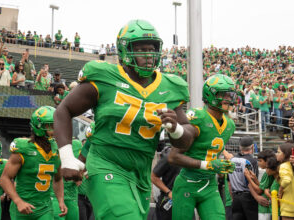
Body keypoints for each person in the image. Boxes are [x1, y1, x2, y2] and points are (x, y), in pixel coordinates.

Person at [54, 19, 194, 220]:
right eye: (141, 49)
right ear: (125, 51)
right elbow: (64, 110)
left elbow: (187, 138)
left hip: (141, 173)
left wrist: (176, 129)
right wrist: (67, 157)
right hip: (106, 164)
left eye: (152, 49)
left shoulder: (171, 87)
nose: (148, 55)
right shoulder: (105, 77)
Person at [168, 74, 237, 220]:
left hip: (210, 185)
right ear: (210, 95)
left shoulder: (229, 124)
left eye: (230, 95)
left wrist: (222, 166)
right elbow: (173, 157)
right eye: (222, 94)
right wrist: (209, 165)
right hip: (187, 183)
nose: (228, 99)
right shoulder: (197, 117)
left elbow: (211, 152)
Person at [0, 106, 67, 219]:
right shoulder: (24, 148)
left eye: (56, 125)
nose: (55, 129)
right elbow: (4, 178)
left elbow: (58, 178)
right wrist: (18, 201)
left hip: (45, 208)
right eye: (50, 126)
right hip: (23, 208)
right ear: (38, 126)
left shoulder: (56, 149)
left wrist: (60, 200)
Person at [151, 146, 181, 220]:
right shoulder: (169, 156)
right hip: (169, 199)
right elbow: (153, 177)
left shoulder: (194, 156)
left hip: (187, 199)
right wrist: (168, 192)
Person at [276, 143, 294, 220]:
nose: (276, 154)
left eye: (278, 152)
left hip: (288, 208)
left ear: (286, 154)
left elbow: (287, 180)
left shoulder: (284, 166)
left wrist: (280, 190)